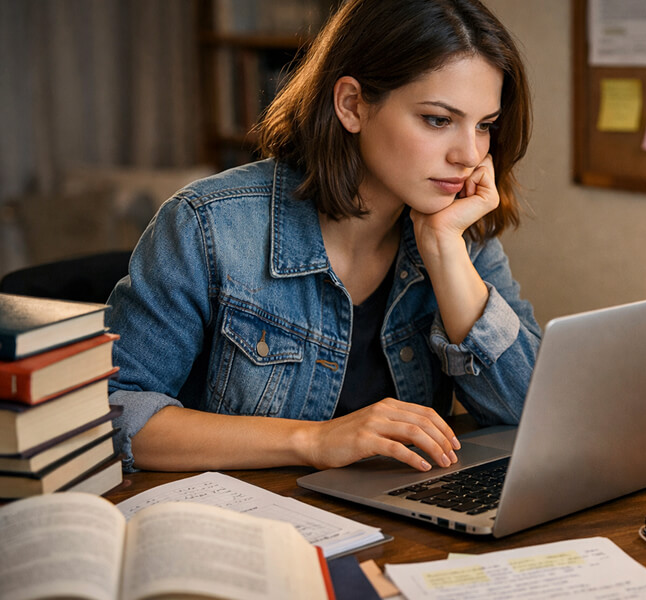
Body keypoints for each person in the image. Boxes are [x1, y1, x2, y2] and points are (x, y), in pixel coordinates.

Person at [106, 0, 540, 475]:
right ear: (352, 104)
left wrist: (442, 250)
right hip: (249, 526)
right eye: (438, 120)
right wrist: (312, 440)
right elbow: (117, 415)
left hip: (400, 527)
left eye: (485, 126)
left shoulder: (459, 232)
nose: (470, 153)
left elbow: (532, 418)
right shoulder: (207, 226)